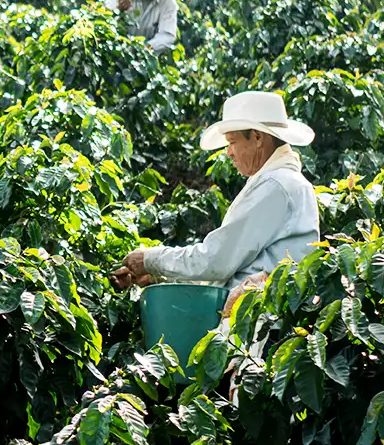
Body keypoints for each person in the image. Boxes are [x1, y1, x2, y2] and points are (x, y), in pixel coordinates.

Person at [111, 91, 321, 308]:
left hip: (263, 329)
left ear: (258, 138)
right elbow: (232, 267)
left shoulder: (276, 184)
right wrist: (157, 276)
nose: (228, 153)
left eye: (232, 142)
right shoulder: (280, 182)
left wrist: (150, 259)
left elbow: (216, 259)